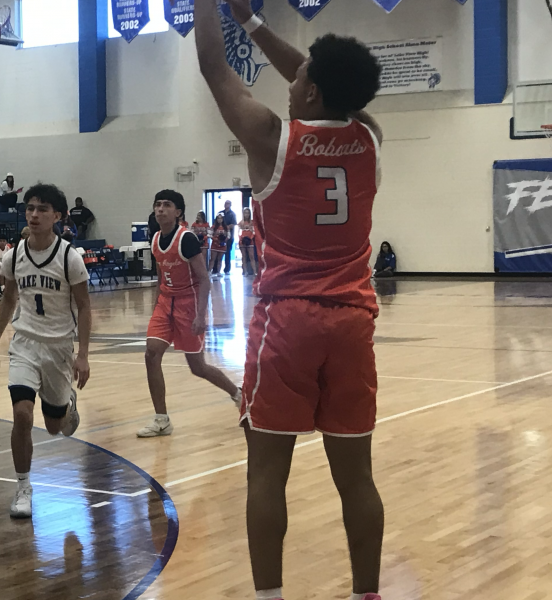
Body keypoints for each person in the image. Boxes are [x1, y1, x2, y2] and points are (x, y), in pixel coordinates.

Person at [194, 1, 385, 599]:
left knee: (267, 473)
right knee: (356, 478)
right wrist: (251, 21)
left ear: (313, 92)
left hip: (288, 322)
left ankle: (270, 596)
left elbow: (211, 67)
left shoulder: (272, 139)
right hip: (353, 321)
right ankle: (367, 593)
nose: (292, 79)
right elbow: (328, 81)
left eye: (301, 78)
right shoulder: (370, 137)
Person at [0, 184, 91, 519]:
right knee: (22, 416)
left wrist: (83, 354)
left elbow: (85, 308)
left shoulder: (69, 257)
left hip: (58, 347)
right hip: (25, 343)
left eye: (42, 209)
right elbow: (8, 298)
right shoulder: (14, 255)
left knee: (55, 427)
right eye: (30, 208)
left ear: (57, 216)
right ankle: (23, 486)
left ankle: (66, 404)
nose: (34, 214)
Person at [137, 191, 241, 438]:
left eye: (167, 205)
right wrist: (155, 307)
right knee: (151, 354)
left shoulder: (187, 239)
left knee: (198, 367)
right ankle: (161, 419)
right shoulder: (154, 239)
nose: (161, 209)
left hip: (188, 304)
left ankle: (238, 394)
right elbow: (161, 276)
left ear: (178, 212)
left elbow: (204, 279)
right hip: (165, 302)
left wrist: (201, 315)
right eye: (158, 205)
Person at [239, 206, 258, 276]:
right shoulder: (240, 223)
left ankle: (255, 271)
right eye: (245, 213)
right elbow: (238, 232)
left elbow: (254, 231)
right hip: (242, 241)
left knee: (251, 256)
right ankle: (245, 271)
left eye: (247, 213)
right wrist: (242, 238)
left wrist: (250, 237)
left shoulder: (252, 222)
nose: (246, 214)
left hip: (250, 240)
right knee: (244, 256)